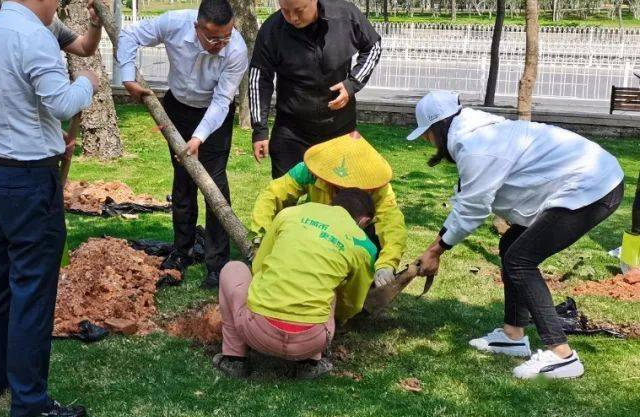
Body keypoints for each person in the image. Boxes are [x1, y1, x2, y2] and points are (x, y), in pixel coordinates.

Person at [408, 90, 625, 381]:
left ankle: (562, 355)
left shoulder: (476, 146)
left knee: (521, 260)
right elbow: (465, 196)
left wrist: (436, 250)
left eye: (426, 135)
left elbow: (473, 208)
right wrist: (435, 246)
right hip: (583, 180)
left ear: (438, 128)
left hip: (593, 185)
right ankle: (513, 335)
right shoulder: (476, 134)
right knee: (510, 243)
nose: (426, 141)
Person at [0, 0, 98, 417]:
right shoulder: (35, 37)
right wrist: (87, 83)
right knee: (32, 289)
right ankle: (29, 398)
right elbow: (62, 102)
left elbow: (14, 104)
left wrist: (43, 133)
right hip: (27, 182)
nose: (56, 2)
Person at [0, 3, 102, 294]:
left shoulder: (50, 24)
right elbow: (10, 93)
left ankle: (11, 273)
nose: (56, 0)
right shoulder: (4, 31)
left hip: (29, 138)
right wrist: (86, 84)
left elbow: (85, 47)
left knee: (9, 237)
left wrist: (96, 24)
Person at [117, 0, 248, 289]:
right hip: (177, 108)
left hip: (214, 116)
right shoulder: (174, 22)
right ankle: (182, 250)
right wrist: (127, 77)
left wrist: (199, 137)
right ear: (196, 27)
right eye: (213, 37)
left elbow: (223, 100)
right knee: (183, 180)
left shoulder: (236, 49)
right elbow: (128, 34)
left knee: (213, 184)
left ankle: (217, 263)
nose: (219, 43)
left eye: (226, 35)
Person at [214, 188, 377, 380]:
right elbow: (353, 304)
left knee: (232, 269)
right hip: (312, 341)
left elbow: (258, 267)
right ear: (364, 221)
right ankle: (310, 364)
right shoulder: (366, 247)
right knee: (331, 289)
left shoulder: (290, 214)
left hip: (257, 332)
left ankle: (234, 359)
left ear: (332, 202)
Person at [248, 0, 382, 178]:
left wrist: (352, 84)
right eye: (285, 10)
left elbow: (373, 45)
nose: (293, 18)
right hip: (291, 130)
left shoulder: (345, 16)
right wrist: (260, 129)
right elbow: (258, 78)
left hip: (339, 128)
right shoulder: (272, 30)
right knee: (284, 199)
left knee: (337, 198)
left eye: (299, 10)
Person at [252, 131, 407, 288]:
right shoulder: (311, 171)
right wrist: (259, 237)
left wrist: (387, 264)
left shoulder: (377, 185)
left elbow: (392, 224)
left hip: (357, 239)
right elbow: (272, 195)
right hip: (313, 231)